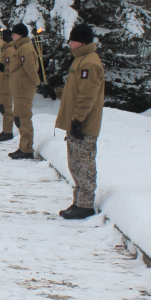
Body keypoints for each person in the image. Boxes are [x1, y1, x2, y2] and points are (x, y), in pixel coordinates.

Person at [54, 23, 104, 219]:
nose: (70, 44)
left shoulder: (89, 63)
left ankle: (85, 204)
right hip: (76, 121)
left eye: (73, 40)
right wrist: (56, 92)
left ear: (81, 41)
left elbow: (87, 96)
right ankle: (79, 201)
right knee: (75, 163)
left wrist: (77, 121)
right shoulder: (80, 60)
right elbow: (75, 91)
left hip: (84, 124)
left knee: (84, 164)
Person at [8, 23, 40, 159]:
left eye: (14, 34)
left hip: (23, 88)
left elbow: (30, 68)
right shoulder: (21, 47)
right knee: (19, 117)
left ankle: (26, 148)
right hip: (20, 88)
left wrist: (38, 82)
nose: (12, 36)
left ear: (20, 34)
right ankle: (23, 146)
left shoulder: (25, 48)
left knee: (23, 118)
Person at [0, 29, 16, 142]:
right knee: (2, 108)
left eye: (0, 38)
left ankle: (8, 131)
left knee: (6, 109)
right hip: (2, 84)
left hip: (6, 85)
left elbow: (12, 68)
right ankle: (5, 130)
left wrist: (3, 68)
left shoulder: (10, 50)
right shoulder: (5, 50)